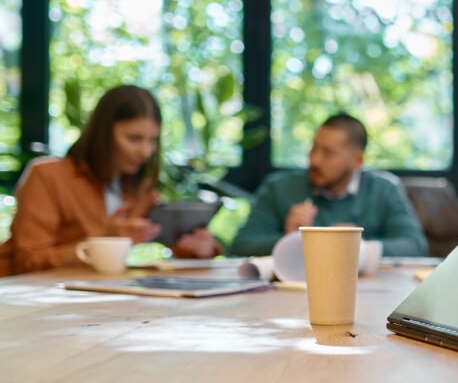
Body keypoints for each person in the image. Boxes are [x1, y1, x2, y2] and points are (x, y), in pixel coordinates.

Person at [0, 85, 220, 276]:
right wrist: (101, 241)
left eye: (152, 140)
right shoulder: (48, 176)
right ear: (103, 133)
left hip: (92, 300)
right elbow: (28, 262)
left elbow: (168, 241)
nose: (145, 151)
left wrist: (199, 249)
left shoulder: (139, 189)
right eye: (134, 138)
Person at [229, 112, 427, 258]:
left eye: (328, 153)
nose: (315, 160)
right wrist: (291, 241)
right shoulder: (279, 188)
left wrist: (356, 246)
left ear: (357, 160)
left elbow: (415, 246)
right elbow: (239, 247)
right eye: (313, 148)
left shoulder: (384, 189)